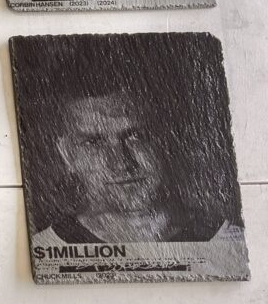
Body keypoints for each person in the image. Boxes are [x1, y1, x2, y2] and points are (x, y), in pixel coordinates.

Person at [30, 89, 245, 246]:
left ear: (168, 142)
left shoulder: (230, 243)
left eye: (135, 136)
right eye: (93, 142)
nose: (121, 163)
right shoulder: (45, 247)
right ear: (67, 154)